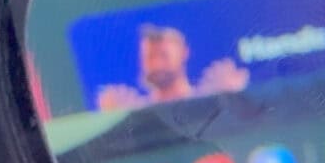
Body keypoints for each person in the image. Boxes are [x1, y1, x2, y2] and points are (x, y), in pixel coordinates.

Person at [97, 24, 251, 111]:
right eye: (150, 57)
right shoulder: (131, 112)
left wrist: (234, 98)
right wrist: (112, 120)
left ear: (184, 53)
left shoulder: (214, 98)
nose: (157, 64)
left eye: (164, 55)